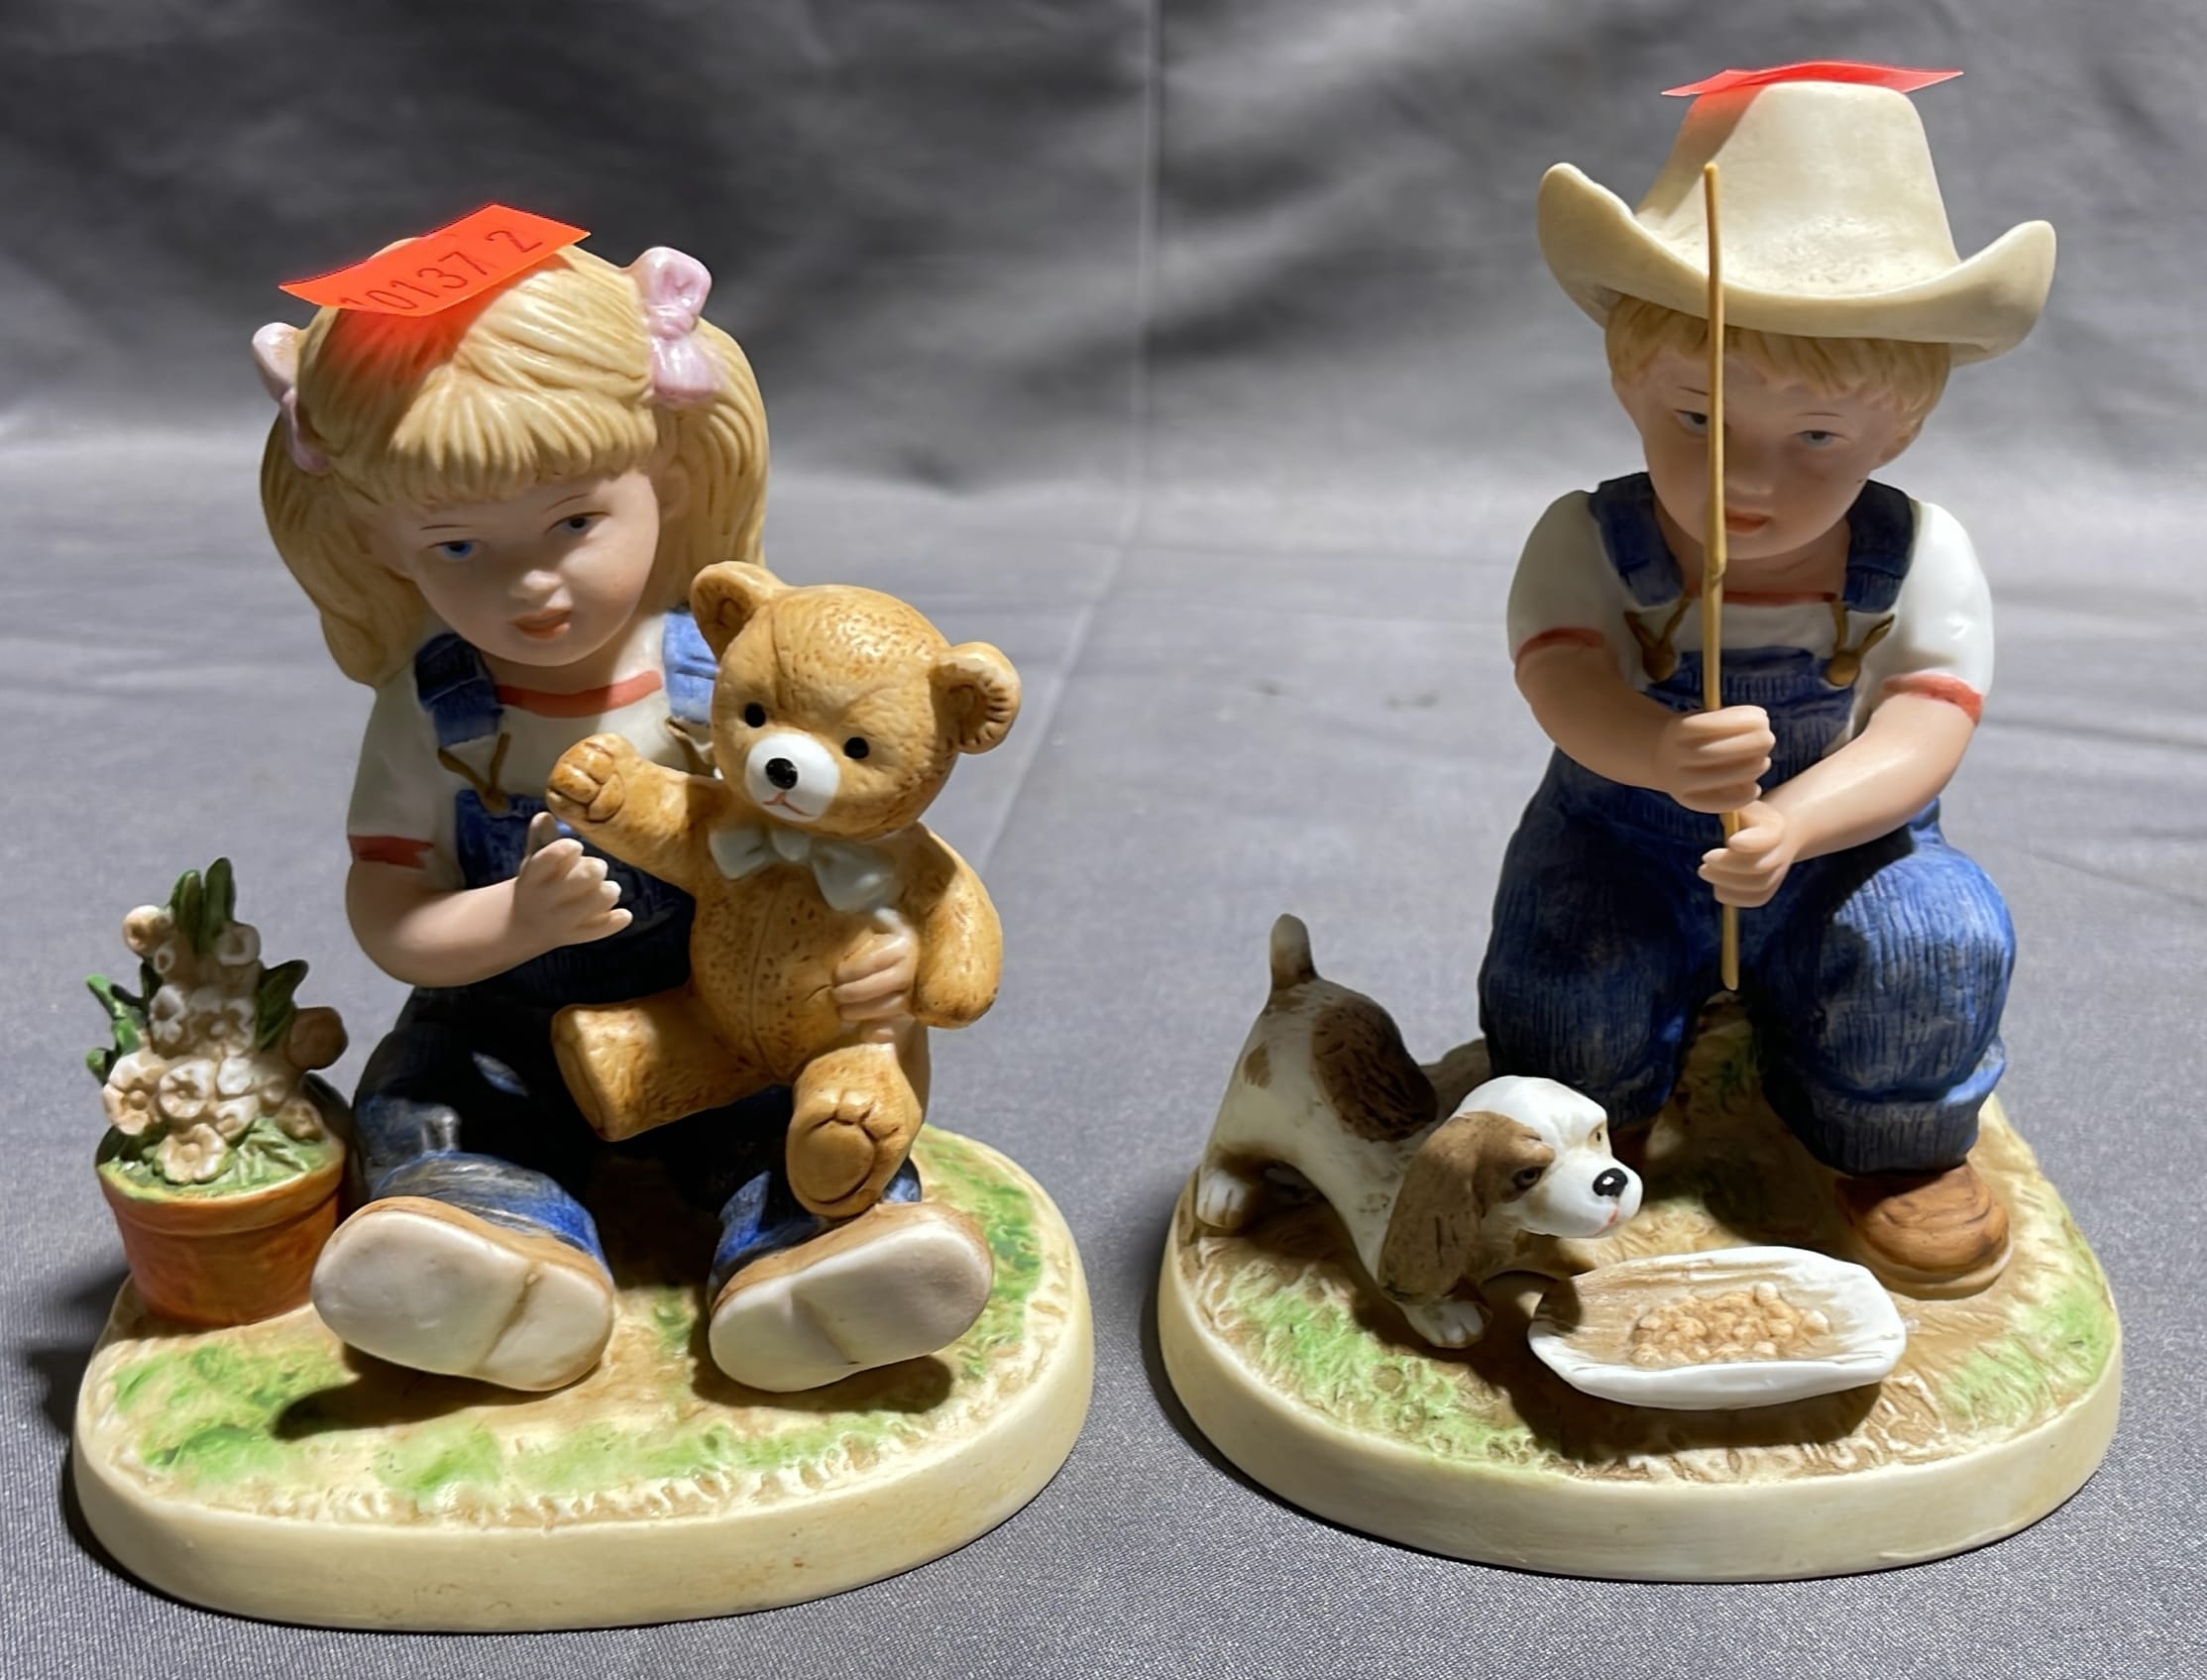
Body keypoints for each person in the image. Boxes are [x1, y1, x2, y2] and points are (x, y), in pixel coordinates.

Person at [256, 235, 993, 1391]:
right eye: (458, 544)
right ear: (380, 544)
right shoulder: (433, 707)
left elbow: (868, 835)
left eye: (573, 523)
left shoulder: (735, 668)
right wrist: (513, 922)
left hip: (724, 1013)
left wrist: (888, 956)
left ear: (669, 478)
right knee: (435, 1108)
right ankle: (496, 1255)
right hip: (500, 1025)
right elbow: (388, 905)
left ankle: (813, 1263)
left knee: (791, 1118)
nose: (529, 582)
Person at [1479, 67, 2056, 1295]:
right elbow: (1561, 679)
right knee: (1568, 965)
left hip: (1844, 850)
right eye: (1699, 421)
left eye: (1816, 439)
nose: (1749, 480)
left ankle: (1888, 1145)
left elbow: (1925, 721)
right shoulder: (1586, 542)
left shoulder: (1919, 554)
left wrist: (1796, 821)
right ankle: (1586, 1130)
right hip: (1623, 841)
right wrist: (1651, 750)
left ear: (1896, 429)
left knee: (1933, 941)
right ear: (1630, 385)